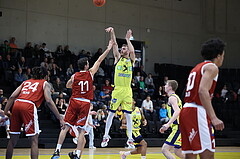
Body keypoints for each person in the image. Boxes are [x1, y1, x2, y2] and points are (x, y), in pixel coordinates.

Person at [51, 39, 113, 159]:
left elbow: (68, 85)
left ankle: (57, 151)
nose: (89, 64)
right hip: (84, 103)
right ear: (86, 65)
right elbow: (100, 60)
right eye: (88, 63)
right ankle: (77, 154)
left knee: (66, 127)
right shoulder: (90, 73)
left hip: (74, 101)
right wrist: (109, 48)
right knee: (81, 131)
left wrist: (74, 84)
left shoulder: (74, 76)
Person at [3, 67, 65, 159]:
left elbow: (12, 96)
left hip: (17, 104)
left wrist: (5, 112)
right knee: (34, 140)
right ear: (45, 75)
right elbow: (48, 101)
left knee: (12, 139)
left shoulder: (26, 82)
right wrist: (59, 118)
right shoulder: (45, 83)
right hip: (29, 106)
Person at [180, 38, 225, 159]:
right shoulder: (212, 67)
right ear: (219, 55)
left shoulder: (197, 67)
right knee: (208, 155)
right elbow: (202, 90)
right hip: (196, 111)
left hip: (186, 110)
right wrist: (214, 117)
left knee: (190, 155)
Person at [101, 27, 135, 148]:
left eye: (124, 48)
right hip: (117, 90)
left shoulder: (131, 60)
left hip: (127, 90)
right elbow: (114, 44)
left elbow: (132, 51)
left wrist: (128, 39)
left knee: (129, 115)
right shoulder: (117, 58)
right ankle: (106, 136)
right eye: (122, 48)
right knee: (110, 114)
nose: (122, 49)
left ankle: (130, 138)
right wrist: (112, 32)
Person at [159, 80, 185, 159]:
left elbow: (177, 111)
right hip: (180, 127)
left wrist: (168, 124)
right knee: (178, 152)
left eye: (166, 85)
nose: (165, 86)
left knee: (165, 149)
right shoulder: (176, 97)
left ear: (170, 87)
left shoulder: (172, 98)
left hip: (178, 127)